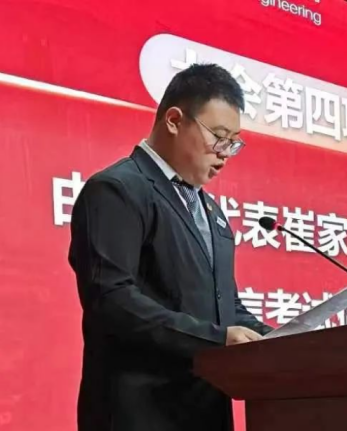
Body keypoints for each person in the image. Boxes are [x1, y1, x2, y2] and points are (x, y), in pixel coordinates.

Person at [68, 63, 273, 431]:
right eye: (219, 137)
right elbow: (111, 300)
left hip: (205, 409)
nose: (225, 153)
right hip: (140, 414)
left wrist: (281, 341)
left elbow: (225, 305)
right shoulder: (117, 190)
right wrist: (216, 339)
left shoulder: (211, 211)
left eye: (234, 143)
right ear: (175, 120)